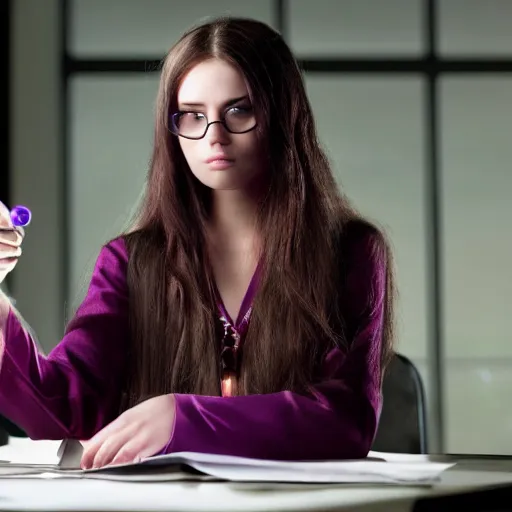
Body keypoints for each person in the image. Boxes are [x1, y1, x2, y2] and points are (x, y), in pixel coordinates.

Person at [0, 16, 396, 469]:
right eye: (193, 116)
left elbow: (345, 421)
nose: (214, 135)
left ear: (283, 114)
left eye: (239, 111)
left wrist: (182, 417)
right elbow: (61, 413)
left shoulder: (350, 251)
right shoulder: (130, 263)